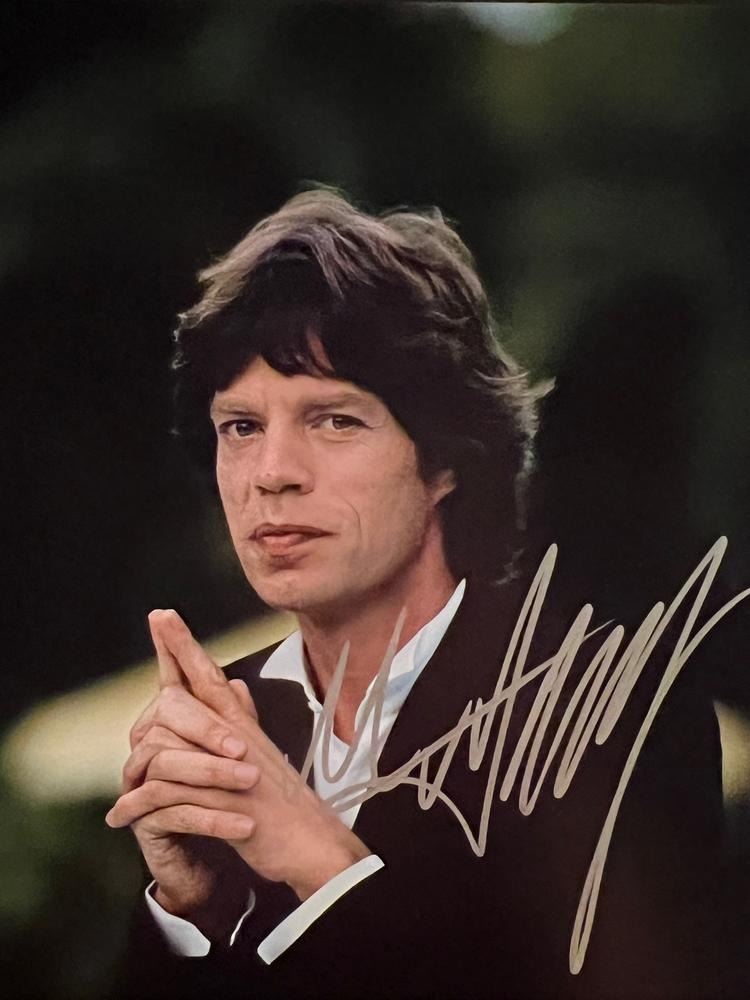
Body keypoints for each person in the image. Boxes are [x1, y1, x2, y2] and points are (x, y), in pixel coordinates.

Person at [108, 190, 731, 999]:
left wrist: (322, 864)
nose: (272, 473)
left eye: (334, 420)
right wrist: (190, 910)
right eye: (242, 427)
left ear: (445, 461)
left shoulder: (611, 714)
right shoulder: (234, 721)